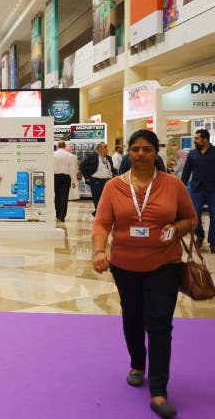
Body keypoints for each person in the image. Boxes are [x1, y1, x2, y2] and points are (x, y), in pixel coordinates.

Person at [92, 130, 197, 419]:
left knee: (160, 324)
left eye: (147, 149)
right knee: (133, 317)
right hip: (124, 266)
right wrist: (99, 251)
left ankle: (159, 391)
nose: (140, 154)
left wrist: (177, 229)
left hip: (165, 264)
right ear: (128, 152)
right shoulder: (114, 187)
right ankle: (138, 364)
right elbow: (102, 223)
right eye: (135, 149)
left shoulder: (173, 185)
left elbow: (191, 218)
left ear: (156, 153)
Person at [181, 129, 215, 251]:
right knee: (194, 214)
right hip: (197, 189)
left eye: (197, 138)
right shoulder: (192, 154)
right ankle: (199, 235)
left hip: (213, 189)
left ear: (205, 139)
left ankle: (213, 242)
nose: (194, 141)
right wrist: (181, 187)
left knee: (214, 216)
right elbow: (186, 171)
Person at [80, 142, 115, 216]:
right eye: (105, 147)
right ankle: (99, 215)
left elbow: (111, 169)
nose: (107, 149)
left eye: (106, 147)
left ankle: (100, 213)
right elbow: (82, 165)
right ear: (99, 149)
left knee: (107, 200)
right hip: (96, 182)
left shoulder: (109, 158)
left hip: (108, 182)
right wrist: (86, 177)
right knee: (98, 199)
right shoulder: (91, 156)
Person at [53, 141, 77, 222]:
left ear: (57, 146)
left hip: (55, 177)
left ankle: (57, 214)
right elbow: (72, 170)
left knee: (57, 196)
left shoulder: (53, 155)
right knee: (64, 197)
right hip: (65, 178)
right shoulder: (71, 156)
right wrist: (74, 181)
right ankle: (62, 216)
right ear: (65, 146)